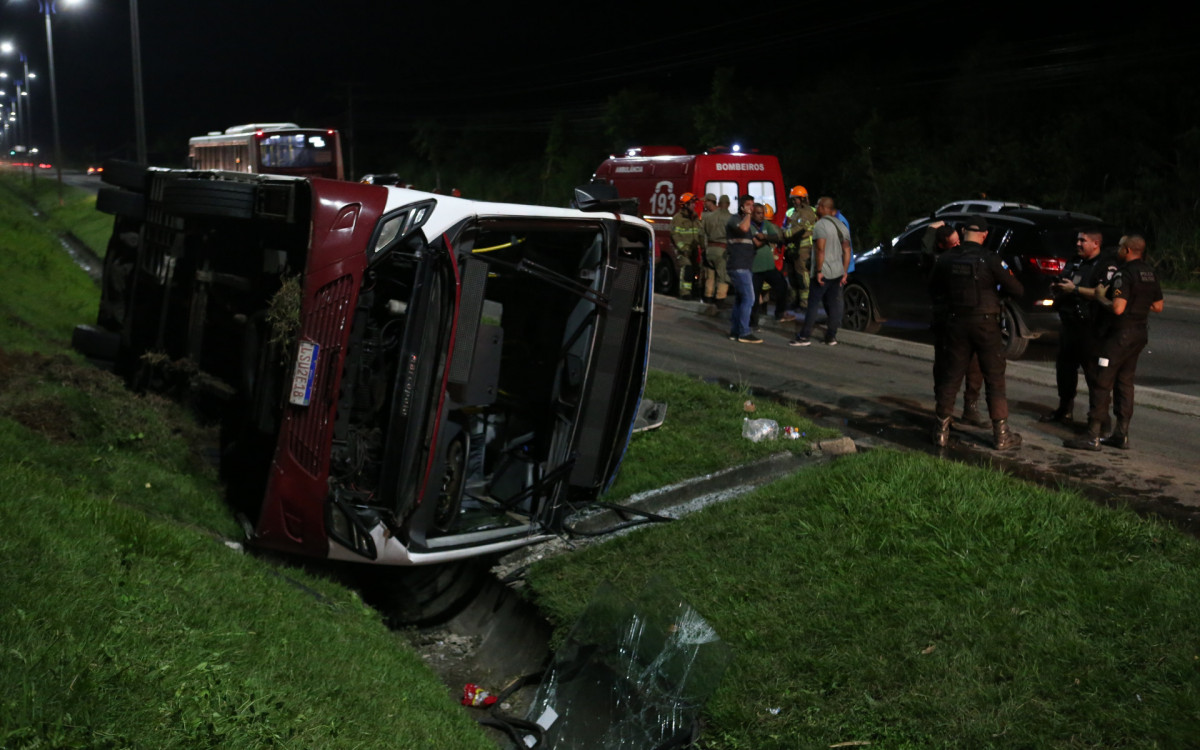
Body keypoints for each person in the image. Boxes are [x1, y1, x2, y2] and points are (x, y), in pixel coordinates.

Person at [928, 216, 1025, 449]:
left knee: (951, 375)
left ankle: (941, 431)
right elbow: (1017, 289)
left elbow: (933, 288)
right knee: (994, 377)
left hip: (956, 324)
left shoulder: (947, 258)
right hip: (986, 325)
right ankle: (1001, 435)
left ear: (963, 232)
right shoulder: (991, 259)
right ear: (984, 235)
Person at [1065, 234, 1163, 451]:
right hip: (1139, 334)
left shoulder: (1123, 273)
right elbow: (1158, 306)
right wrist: (1136, 304)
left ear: (1127, 250)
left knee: (1102, 381)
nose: (1117, 250)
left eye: (1120, 247)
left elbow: (1118, 308)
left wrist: (1101, 296)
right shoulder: (1149, 272)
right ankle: (1121, 434)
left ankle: (1093, 435)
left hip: (1119, 336)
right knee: (1125, 381)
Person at [1040, 229, 1119, 424]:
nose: (1078, 244)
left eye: (1083, 241)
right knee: (1065, 370)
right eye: (1077, 240)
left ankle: (1099, 420)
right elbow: (1065, 280)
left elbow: (1101, 293)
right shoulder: (1075, 262)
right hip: (1069, 325)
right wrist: (1058, 288)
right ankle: (1065, 410)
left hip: (1090, 328)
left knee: (1094, 376)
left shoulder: (1105, 266)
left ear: (1095, 244)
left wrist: (1074, 289)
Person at [927, 222, 986, 426]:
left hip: (966, 320)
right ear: (942, 245)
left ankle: (971, 407)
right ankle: (943, 413)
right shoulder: (939, 261)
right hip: (946, 320)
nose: (959, 246)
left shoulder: (964, 258)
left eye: (959, 241)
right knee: (945, 367)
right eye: (953, 244)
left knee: (974, 364)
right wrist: (931, 229)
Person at [790, 196, 851, 347]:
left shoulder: (820, 225)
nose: (816, 207)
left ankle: (804, 336)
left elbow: (820, 249)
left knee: (813, 305)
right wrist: (844, 272)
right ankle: (831, 336)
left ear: (824, 207)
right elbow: (847, 250)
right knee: (833, 304)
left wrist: (818, 270)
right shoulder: (841, 225)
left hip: (823, 272)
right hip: (837, 272)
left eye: (818, 205)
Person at [726, 194, 761, 343]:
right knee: (749, 298)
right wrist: (748, 215)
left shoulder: (748, 222)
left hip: (745, 265)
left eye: (752, 205)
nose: (751, 208)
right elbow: (744, 228)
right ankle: (744, 333)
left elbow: (755, 242)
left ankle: (735, 331)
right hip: (738, 266)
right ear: (741, 206)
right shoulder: (734, 219)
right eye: (748, 205)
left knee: (740, 299)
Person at [749, 203, 788, 327]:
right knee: (754, 296)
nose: (761, 216)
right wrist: (767, 239)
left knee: (782, 286)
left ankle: (779, 313)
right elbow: (756, 243)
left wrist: (764, 236)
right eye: (758, 213)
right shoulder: (748, 226)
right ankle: (753, 322)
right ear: (752, 214)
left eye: (762, 213)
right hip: (755, 268)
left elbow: (777, 237)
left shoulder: (766, 224)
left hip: (769, 266)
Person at [781, 186, 817, 315]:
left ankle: (805, 303)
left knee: (802, 276)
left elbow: (797, 230)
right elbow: (787, 226)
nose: (793, 202)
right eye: (792, 199)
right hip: (794, 248)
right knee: (793, 276)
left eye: (795, 199)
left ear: (802, 199)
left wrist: (784, 234)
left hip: (804, 248)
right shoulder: (794, 212)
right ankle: (796, 300)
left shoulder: (808, 212)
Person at [670, 192, 706, 299]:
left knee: (696, 270)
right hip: (683, 251)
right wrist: (683, 248)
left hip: (693, 249)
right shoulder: (678, 219)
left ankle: (694, 291)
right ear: (685, 205)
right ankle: (685, 293)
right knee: (687, 268)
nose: (694, 205)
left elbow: (700, 233)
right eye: (692, 203)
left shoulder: (695, 217)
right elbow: (675, 235)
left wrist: (703, 246)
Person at [700, 193, 731, 312]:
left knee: (710, 277)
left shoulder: (708, 217)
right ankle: (719, 300)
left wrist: (704, 249)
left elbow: (701, 234)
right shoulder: (731, 218)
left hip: (709, 250)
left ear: (718, 203)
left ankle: (707, 298)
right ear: (728, 204)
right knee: (723, 276)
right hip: (722, 250)